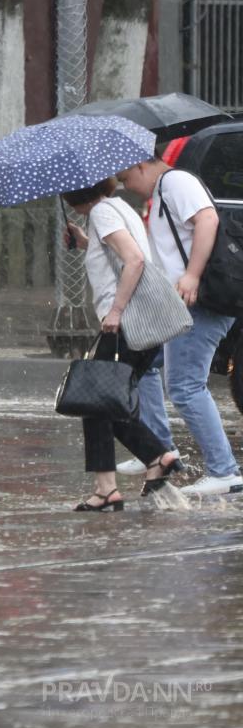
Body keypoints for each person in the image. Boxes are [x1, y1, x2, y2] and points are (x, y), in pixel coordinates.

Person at [117, 158, 241, 495]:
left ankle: (224, 471)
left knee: (185, 385)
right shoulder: (160, 194)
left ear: (142, 165)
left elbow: (208, 219)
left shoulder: (176, 182)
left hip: (201, 301)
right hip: (181, 304)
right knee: (144, 365)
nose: (125, 185)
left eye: (126, 177)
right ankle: (159, 451)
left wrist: (192, 275)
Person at [62, 179, 185, 511]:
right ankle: (155, 458)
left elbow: (134, 260)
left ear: (72, 194)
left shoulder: (102, 212)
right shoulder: (116, 208)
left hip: (127, 322)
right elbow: (118, 257)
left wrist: (116, 310)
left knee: (95, 400)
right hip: (139, 322)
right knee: (106, 402)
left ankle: (111, 486)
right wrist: (86, 241)